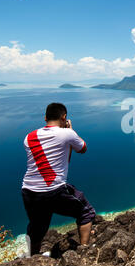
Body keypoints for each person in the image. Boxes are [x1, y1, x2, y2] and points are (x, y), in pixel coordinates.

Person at [21, 102, 96, 256]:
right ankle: (83, 253)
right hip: (53, 190)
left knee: (37, 226)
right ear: (64, 117)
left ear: (45, 117)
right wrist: (70, 130)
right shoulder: (67, 134)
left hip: (28, 191)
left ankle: (32, 258)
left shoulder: (29, 137)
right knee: (86, 212)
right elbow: (82, 148)